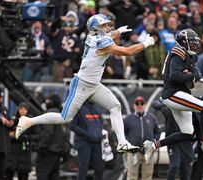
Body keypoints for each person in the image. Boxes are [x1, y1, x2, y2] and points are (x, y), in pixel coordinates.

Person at [15, 13, 155, 153]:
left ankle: (122, 143)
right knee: (65, 117)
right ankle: (28, 121)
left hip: (93, 85)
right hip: (82, 85)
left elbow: (108, 36)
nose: (107, 27)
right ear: (96, 28)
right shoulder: (101, 43)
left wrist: (118, 31)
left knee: (115, 106)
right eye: (104, 25)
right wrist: (145, 43)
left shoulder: (94, 36)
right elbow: (127, 51)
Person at [143, 29, 203, 163]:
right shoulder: (178, 52)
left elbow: (195, 73)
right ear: (184, 42)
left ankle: (153, 145)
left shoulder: (187, 55)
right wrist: (191, 76)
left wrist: (191, 75)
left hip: (180, 93)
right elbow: (175, 76)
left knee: (187, 133)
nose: (195, 46)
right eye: (192, 43)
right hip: (172, 94)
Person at [151, 99, 194, 180]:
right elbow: (155, 103)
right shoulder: (169, 109)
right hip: (172, 142)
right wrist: (163, 106)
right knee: (174, 166)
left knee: (186, 170)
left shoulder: (188, 109)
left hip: (185, 142)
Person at [123, 96, 161, 180]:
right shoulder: (128, 119)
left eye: (141, 103)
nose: (139, 105)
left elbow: (157, 132)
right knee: (131, 175)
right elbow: (123, 133)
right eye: (137, 103)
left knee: (147, 176)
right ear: (134, 106)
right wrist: (127, 143)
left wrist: (154, 142)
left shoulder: (152, 118)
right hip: (133, 151)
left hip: (148, 150)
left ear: (145, 105)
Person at [70, 100, 104, 180]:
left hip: (97, 142)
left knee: (100, 168)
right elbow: (72, 126)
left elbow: (101, 123)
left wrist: (100, 133)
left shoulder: (97, 107)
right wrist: (87, 134)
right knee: (83, 168)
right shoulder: (78, 107)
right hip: (83, 142)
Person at [36, 94, 67, 180]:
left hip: (48, 151)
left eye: (48, 100)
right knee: (54, 175)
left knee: (42, 174)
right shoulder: (61, 115)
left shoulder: (50, 114)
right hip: (57, 151)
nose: (46, 102)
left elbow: (48, 132)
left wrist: (42, 146)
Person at [5, 102, 39, 180]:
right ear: (18, 109)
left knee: (23, 174)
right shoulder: (13, 120)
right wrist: (11, 135)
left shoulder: (31, 121)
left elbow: (37, 135)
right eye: (21, 109)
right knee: (9, 172)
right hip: (13, 150)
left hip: (25, 150)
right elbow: (6, 133)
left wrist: (27, 137)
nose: (23, 111)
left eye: (25, 109)